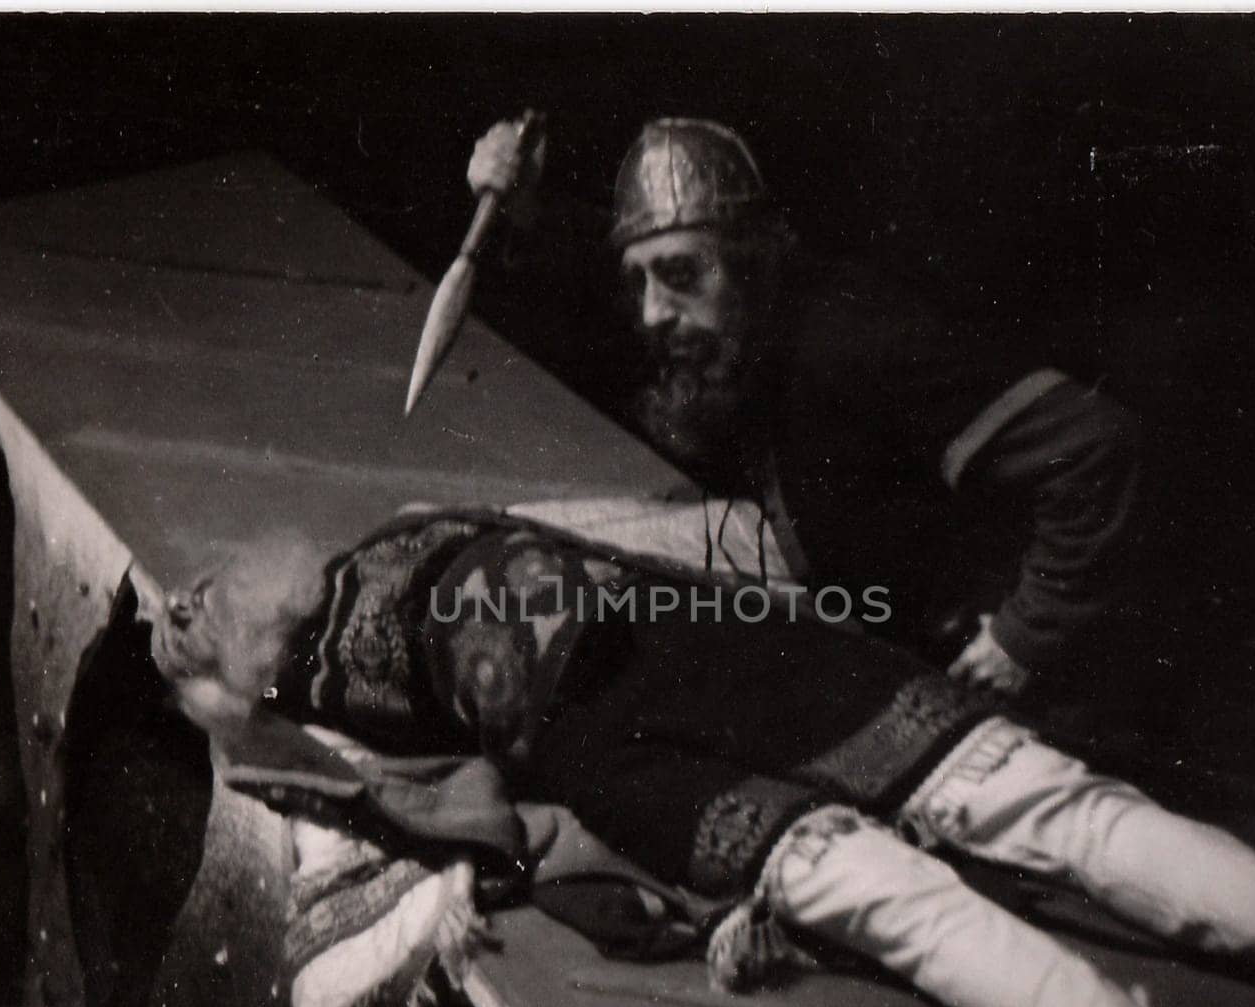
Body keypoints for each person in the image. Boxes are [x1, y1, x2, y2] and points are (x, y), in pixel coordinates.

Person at [153, 511, 1255, 1007]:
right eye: (191, 613)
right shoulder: (363, 644)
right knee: (967, 858)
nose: (193, 597)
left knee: (979, 849)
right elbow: (464, 794)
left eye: (195, 595)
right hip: (680, 712)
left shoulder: (364, 629)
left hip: (697, 685)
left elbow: (466, 786)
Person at [465, 117, 1144, 699]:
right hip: (809, 555)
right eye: (638, 280)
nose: (652, 311)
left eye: (677, 275)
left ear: (752, 263)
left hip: (909, 635)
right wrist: (527, 211)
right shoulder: (739, 308)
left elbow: (1094, 442)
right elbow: (631, 267)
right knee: (514, 543)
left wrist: (1025, 636)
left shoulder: (858, 340)